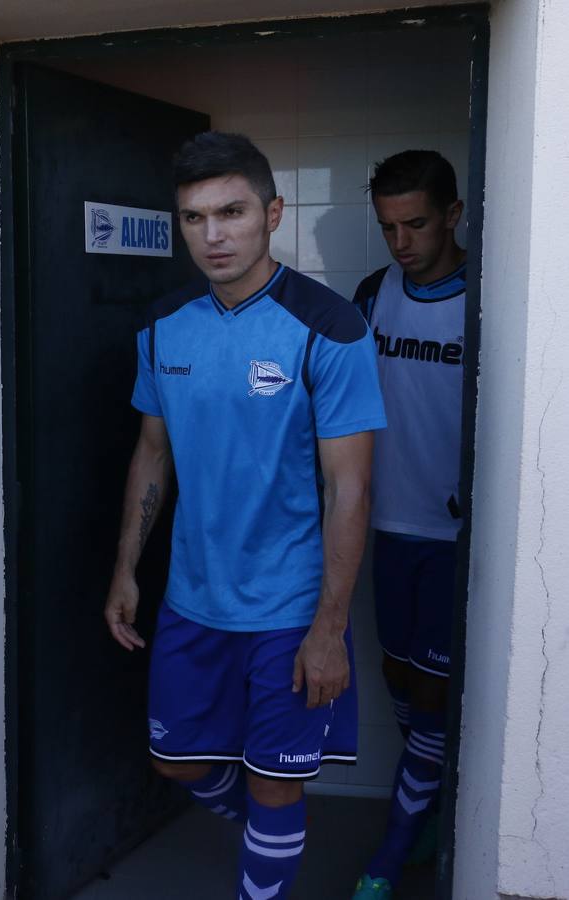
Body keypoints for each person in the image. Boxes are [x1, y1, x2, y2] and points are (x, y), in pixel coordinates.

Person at [103, 132, 387, 899]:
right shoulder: (164, 327)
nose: (214, 235)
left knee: (274, 786)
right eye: (194, 219)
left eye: (231, 212)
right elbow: (151, 455)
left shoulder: (329, 328)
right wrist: (126, 568)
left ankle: (267, 852)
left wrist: (329, 631)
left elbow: (351, 490)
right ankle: (273, 840)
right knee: (179, 762)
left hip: (289, 609)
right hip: (193, 600)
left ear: (273, 213)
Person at [349, 150, 467, 900]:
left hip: (455, 541)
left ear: (453, 215)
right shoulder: (372, 294)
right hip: (385, 530)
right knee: (399, 678)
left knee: (433, 692)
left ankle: (390, 854)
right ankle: (431, 801)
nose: (401, 243)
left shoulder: (490, 297)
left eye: (416, 224)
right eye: (389, 226)